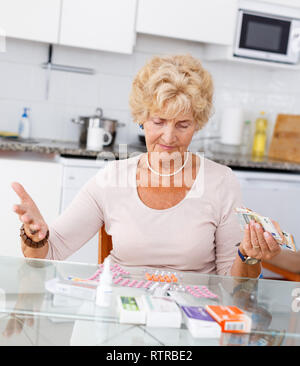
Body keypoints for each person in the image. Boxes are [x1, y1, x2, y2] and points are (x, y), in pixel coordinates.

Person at [12, 54, 282, 278]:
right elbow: (51, 253)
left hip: (193, 317)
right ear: (141, 119)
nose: (168, 137)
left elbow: (232, 284)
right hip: (119, 309)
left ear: (197, 124)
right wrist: (35, 236)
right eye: (158, 121)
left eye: (182, 124)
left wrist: (248, 257)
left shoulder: (221, 182)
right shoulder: (112, 178)